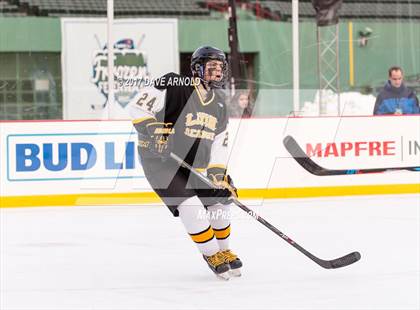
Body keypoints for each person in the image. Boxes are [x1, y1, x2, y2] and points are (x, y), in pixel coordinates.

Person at [127, 46, 242, 279]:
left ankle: (224, 250)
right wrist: (152, 129)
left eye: (220, 68)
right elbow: (137, 105)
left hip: (194, 165)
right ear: (197, 69)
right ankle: (211, 253)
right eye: (211, 67)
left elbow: (220, 143)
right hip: (161, 162)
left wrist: (218, 175)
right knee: (191, 206)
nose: (217, 72)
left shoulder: (219, 104)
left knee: (220, 202)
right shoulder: (174, 84)